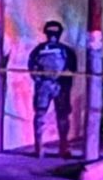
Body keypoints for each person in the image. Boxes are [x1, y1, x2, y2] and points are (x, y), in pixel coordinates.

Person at [28, 20, 77, 158]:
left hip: (60, 86)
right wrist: (39, 80)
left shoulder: (67, 51)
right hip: (45, 86)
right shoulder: (39, 50)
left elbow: (72, 70)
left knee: (62, 116)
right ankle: (39, 147)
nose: (53, 36)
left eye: (55, 34)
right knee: (40, 115)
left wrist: (65, 85)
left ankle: (63, 146)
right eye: (50, 33)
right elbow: (32, 67)